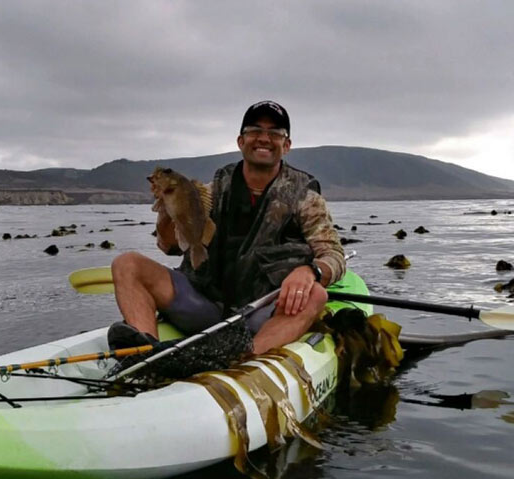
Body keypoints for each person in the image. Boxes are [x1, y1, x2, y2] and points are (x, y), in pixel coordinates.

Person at [109, 100, 346, 356]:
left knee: (317, 295)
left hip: (262, 312)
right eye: (254, 131)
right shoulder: (214, 189)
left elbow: (334, 256)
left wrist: (309, 271)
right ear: (240, 141)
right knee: (128, 263)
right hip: (204, 303)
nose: (263, 138)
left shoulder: (306, 197)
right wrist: (168, 211)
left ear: (286, 145)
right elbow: (171, 247)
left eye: (274, 133)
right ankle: (144, 356)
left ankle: (244, 360)